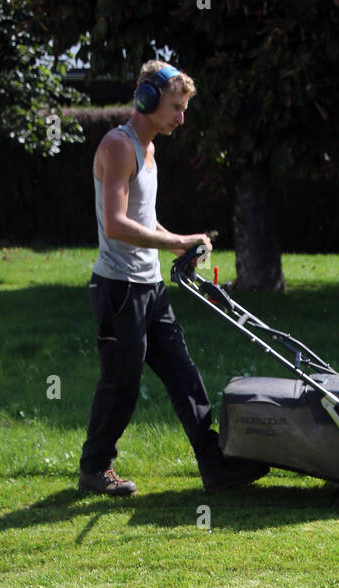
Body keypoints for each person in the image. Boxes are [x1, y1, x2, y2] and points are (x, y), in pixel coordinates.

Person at [78, 59, 267, 496]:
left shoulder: (149, 150)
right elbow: (116, 224)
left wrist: (179, 242)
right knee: (121, 385)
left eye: (185, 108)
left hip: (149, 286)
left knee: (185, 375)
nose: (182, 117)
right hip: (118, 290)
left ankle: (215, 466)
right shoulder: (118, 146)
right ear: (147, 100)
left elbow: (147, 220)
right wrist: (175, 240)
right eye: (176, 107)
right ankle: (95, 468)